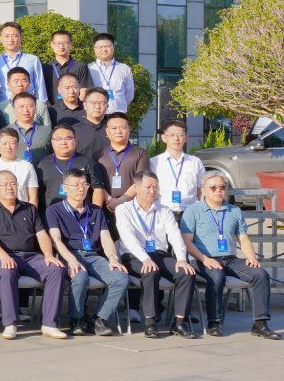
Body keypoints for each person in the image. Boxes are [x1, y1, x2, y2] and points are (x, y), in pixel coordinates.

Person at [181, 174, 280, 339]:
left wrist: (252, 257)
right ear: (203, 190)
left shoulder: (234, 210)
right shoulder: (193, 211)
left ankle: (260, 324)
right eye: (213, 188)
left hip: (230, 259)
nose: (218, 191)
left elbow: (243, 239)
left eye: (222, 187)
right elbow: (186, 241)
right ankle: (214, 323)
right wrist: (205, 259)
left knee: (260, 274)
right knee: (217, 276)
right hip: (202, 259)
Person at [0, 170, 67, 340]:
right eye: (5, 184)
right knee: (7, 270)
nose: (9, 187)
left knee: (56, 269)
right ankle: (10, 324)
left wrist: (48, 254)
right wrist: (4, 257)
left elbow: (42, 234)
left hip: (30, 257)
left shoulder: (29, 208)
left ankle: (49, 324)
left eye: (13, 183)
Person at [46, 169, 129, 336]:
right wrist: (71, 260)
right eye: (76, 185)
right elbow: (56, 240)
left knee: (121, 278)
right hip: (69, 254)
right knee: (80, 277)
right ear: (65, 188)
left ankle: (99, 319)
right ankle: (77, 319)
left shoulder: (96, 211)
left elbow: (105, 237)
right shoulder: (54, 210)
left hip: (93, 256)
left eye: (84, 184)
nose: (81, 188)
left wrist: (112, 257)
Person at [115, 171, 198, 339]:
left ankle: (179, 323)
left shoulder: (163, 210)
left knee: (186, 272)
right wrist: (145, 258)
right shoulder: (124, 209)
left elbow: (175, 235)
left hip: (159, 255)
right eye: (148, 187)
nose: (152, 191)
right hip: (134, 255)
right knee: (150, 271)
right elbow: (128, 237)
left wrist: (181, 259)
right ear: (136, 188)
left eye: (155, 187)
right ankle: (150, 322)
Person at [35, 125, 107, 209]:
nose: (63, 142)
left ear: (75, 140)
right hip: (52, 214)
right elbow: (37, 193)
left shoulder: (87, 162)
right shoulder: (43, 164)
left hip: (82, 213)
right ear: (52, 142)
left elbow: (98, 189)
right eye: (58, 139)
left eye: (68, 138)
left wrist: (96, 212)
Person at [151, 119, 206, 217]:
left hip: (190, 214)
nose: (176, 139)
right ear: (164, 138)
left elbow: (201, 190)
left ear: (186, 138)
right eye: (172, 135)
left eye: (180, 135)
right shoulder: (154, 162)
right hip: (163, 214)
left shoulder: (195, 162)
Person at [99, 112, 149, 211]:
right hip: (105, 207)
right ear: (107, 131)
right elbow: (96, 183)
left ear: (129, 129)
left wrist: (120, 201)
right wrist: (109, 200)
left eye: (122, 127)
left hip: (132, 208)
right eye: (114, 128)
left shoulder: (140, 153)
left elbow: (140, 181)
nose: (118, 131)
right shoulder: (99, 155)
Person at [0, 21, 46, 103]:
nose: (10, 40)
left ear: (20, 38)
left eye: (15, 36)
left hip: (27, 105)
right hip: (3, 107)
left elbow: (39, 85)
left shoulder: (32, 60)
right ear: (1, 39)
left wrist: (41, 104)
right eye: (7, 36)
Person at [0, 128, 41, 203]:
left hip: (22, 209)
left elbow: (33, 197)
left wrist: (31, 211)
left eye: (12, 143)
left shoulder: (27, 166)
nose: (8, 147)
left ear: (17, 145)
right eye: (4, 143)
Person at [42, 29, 93, 104]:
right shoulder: (46, 68)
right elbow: (42, 92)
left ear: (71, 44)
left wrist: (75, 107)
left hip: (75, 108)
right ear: (52, 45)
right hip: (52, 109)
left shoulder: (80, 66)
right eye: (58, 43)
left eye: (65, 43)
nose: (61, 46)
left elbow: (84, 91)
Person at [89, 33, 134, 114]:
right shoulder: (88, 68)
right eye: (100, 47)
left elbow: (129, 95)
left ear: (113, 47)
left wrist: (119, 106)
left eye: (107, 46)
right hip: (95, 115)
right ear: (94, 49)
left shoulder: (124, 69)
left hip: (118, 114)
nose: (104, 50)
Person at [4, 93, 51, 164]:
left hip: (42, 170)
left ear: (35, 109)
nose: (26, 110)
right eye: (21, 106)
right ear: (14, 109)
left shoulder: (47, 131)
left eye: (30, 106)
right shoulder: (6, 132)